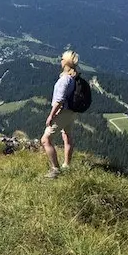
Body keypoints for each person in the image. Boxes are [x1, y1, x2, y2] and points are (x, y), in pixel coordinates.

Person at [41, 50, 79, 179]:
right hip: (71, 112)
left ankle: (55, 169)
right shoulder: (74, 77)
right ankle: (66, 165)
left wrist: (51, 115)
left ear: (66, 61)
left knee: (46, 140)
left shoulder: (65, 79)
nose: (60, 60)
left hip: (62, 112)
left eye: (62, 58)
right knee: (67, 136)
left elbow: (59, 100)